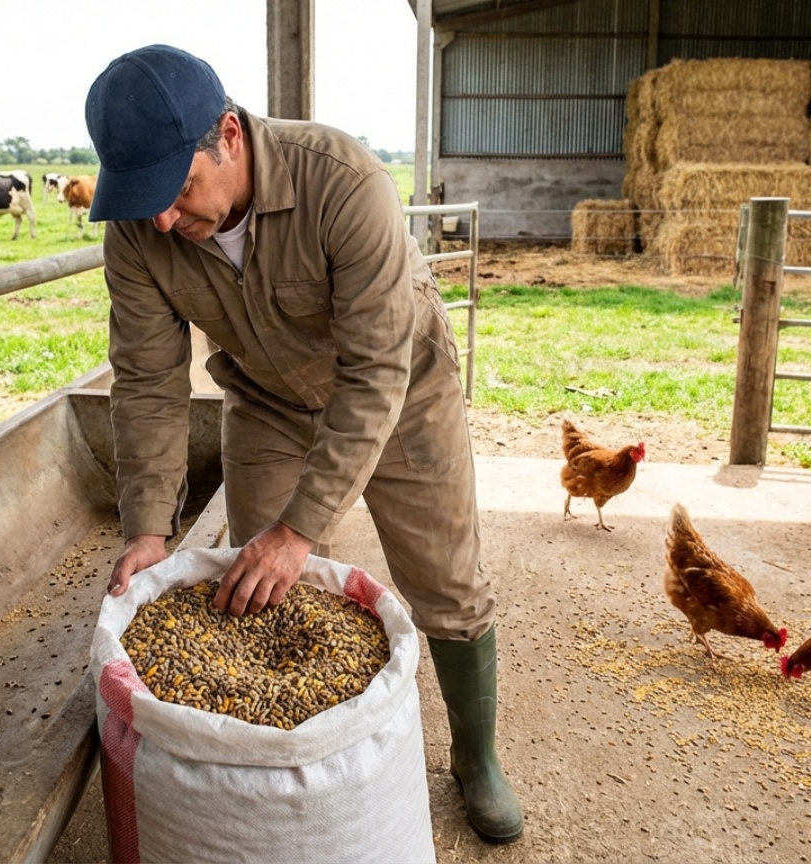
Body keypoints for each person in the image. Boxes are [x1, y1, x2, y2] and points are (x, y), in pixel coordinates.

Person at [83, 44, 523, 844]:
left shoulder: (341, 181)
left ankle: (475, 758)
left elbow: (376, 371)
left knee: (445, 579)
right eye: (145, 200)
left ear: (229, 135)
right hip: (267, 397)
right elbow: (147, 380)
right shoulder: (140, 233)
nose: (163, 221)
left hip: (399, 390)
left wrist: (303, 527)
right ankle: (281, 767)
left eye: (179, 191)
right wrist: (149, 528)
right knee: (261, 578)